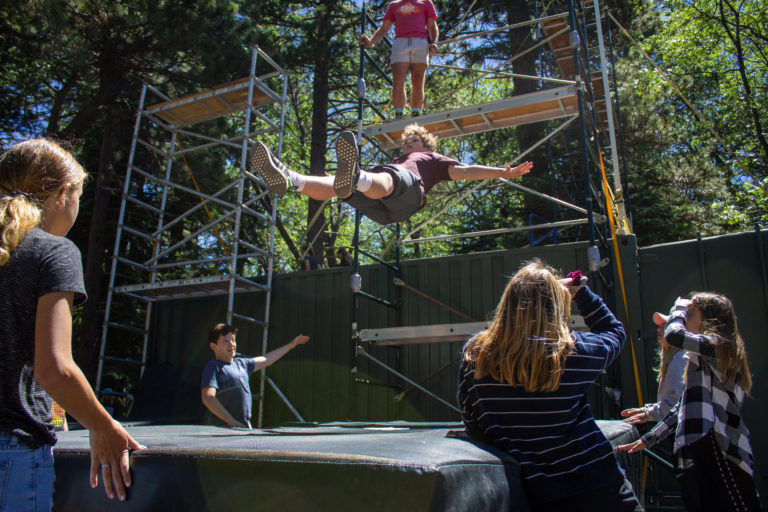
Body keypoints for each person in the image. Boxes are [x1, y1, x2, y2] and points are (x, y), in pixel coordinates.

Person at [0, 139, 145, 508]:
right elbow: (54, 369)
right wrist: (102, 426)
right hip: (11, 447)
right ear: (64, 193)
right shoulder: (52, 250)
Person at [457, 260, 642, 511]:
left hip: (531, 496)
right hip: (600, 488)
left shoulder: (476, 355)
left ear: (507, 303)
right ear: (556, 306)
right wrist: (582, 294)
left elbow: (471, 419)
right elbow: (614, 331)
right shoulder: (575, 354)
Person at [617, 293, 762, 512]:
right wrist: (650, 438)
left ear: (707, 319)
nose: (684, 319)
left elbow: (675, 335)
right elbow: (683, 405)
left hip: (722, 448)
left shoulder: (721, 347)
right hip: (702, 450)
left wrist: (679, 307)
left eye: (690, 314)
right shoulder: (701, 357)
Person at [251, 124, 533, 226]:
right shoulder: (398, 160)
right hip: (386, 211)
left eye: (413, 141)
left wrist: (501, 172)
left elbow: (464, 171)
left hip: (408, 196)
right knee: (340, 189)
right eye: (406, 142)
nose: (407, 144)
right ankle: (291, 180)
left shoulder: (430, 159)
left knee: (389, 176)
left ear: (427, 145)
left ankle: (356, 177)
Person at [201, 323, 310, 428]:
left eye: (233, 340)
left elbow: (267, 359)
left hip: (242, 429)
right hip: (221, 431)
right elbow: (208, 397)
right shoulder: (213, 366)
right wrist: (231, 421)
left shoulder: (242, 363)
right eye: (225, 341)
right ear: (213, 346)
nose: (231, 344)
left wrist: (291, 345)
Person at [360, 0, 440, 118]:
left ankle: (416, 113)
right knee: (398, 79)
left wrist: (434, 42)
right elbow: (384, 28)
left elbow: (432, 25)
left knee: (418, 80)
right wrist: (371, 41)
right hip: (400, 42)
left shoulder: (426, 2)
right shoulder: (394, 5)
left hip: (420, 42)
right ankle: (398, 114)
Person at [621, 311, 689, 425]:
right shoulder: (674, 358)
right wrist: (645, 411)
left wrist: (648, 413)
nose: (659, 329)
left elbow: (676, 404)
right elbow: (669, 403)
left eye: (665, 325)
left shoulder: (680, 358)